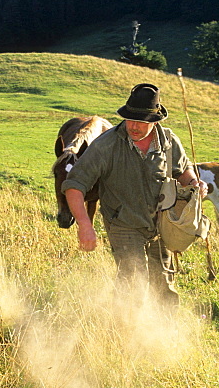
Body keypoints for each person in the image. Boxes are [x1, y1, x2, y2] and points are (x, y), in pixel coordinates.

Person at [61, 83, 208, 307]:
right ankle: (123, 331)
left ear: (155, 121)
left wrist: (195, 183)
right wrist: (84, 224)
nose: (134, 126)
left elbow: (182, 171)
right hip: (123, 223)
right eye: (130, 118)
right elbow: (74, 185)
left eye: (141, 121)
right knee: (132, 282)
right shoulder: (106, 145)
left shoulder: (169, 142)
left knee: (164, 283)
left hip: (161, 223)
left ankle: (166, 333)